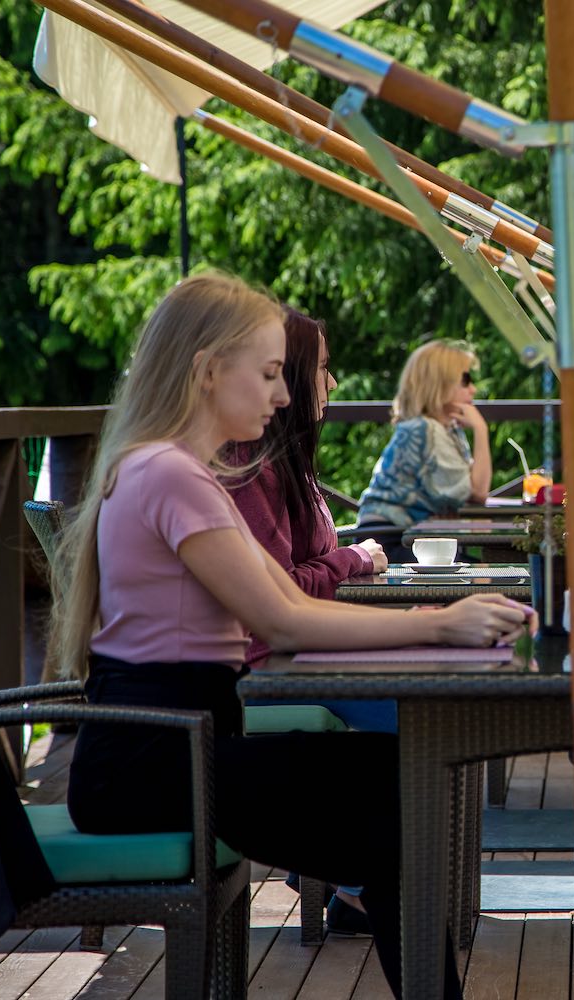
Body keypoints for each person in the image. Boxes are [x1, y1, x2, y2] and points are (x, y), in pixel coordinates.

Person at [52, 272, 530, 998]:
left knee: (396, 782)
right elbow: (280, 620)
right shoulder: (173, 476)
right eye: (271, 373)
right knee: (395, 795)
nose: (283, 395)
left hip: (174, 752)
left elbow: (285, 601)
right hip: (150, 768)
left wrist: (434, 625)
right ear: (209, 371)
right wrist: (439, 623)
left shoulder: (172, 468)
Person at [224, 307, 395, 936]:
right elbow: (279, 594)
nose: (332, 382)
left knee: (417, 697)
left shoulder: (280, 463)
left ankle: (348, 869)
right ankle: (354, 878)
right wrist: (353, 560)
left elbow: (294, 575)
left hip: (290, 651)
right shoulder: (248, 467)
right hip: (260, 668)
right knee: (415, 710)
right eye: (322, 367)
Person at [357, 339, 492, 527]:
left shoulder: (445, 429)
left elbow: (474, 491)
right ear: (439, 384)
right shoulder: (426, 430)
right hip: (389, 536)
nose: (473, 389)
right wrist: (481, 429)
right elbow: (477, 493)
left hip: (405, 534)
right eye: (465, 380)